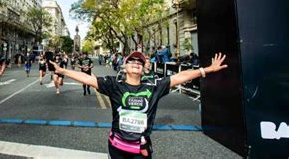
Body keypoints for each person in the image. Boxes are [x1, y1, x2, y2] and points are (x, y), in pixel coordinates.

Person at [50, 51, 228, 158]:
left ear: (143, 69)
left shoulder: (154, 86)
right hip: (117, 146)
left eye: (140, 62)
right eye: (132, 61)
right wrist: (63, 70)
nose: (136, 63)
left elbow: (180, 77)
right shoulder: (114, 85)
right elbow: (87, 78)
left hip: (141, 148)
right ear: (124, 67)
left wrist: (207, 70)